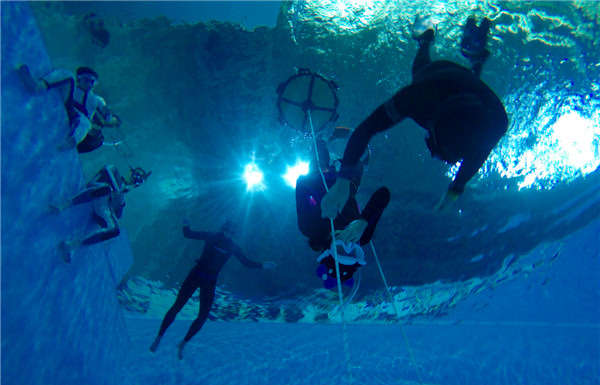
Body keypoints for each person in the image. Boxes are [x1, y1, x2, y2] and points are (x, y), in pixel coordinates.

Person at [321, 16, 508, 218]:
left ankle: (472, 59)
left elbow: (476, 157)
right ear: (432, 126)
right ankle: (426, 40)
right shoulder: (416, 98)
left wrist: (455, 190)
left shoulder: (494, 126)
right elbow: (366, 129)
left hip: (474, 92)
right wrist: (342, 181)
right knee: (420, 69)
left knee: (470, 81)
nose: (435, 157)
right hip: (435, 75)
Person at [149, 219, 277, 359]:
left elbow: (246, 262)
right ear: (223, 228)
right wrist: (185, 225)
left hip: (209, 282)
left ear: (234, 232)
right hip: (196, 275)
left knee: (203, 317)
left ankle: (183, 344)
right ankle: (159, 338)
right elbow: (189, 234)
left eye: (231, 230)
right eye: (227, 228)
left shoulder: (233, 246)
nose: (228, 231)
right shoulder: (211, 236)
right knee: (177, 307)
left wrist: (263, 265)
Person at [296, 126, 390, 288]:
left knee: (318, 152)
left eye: (340, 250)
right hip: (350, 183)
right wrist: (363, 222)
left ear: (329, 249)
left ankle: (321, 138)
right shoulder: (362, 236)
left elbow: (300, 183)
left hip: (319, 177)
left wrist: (327, 188)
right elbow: (384, 194)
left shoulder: (309, 228)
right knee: (359, 162)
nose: (348, 245)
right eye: (353, 252)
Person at [50, 165, 151, 262]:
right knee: (106, 189)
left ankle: (72, 245)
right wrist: (117, 190)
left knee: (115, 231)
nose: (134, 179)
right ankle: (62, 206)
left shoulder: (121, 197)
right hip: (95, 191)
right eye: (136, 175)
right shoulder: (114, 171)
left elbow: (118, 216)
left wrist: (121, 203)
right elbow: (106, 170)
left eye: (138, 180)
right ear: (130, 171)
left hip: (102, 206)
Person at [17, 64, 121, 152]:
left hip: (81, 117)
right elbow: (63, 81)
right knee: (67, 74)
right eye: (86, 80)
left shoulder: (96, 99)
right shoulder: (72, 85)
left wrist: (108, 114)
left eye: (92, 82)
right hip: (69, 105)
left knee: (85, 123)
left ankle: (72, 141)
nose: (89, 84)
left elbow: (105, 113)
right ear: (79, 78)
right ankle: (37, 85)